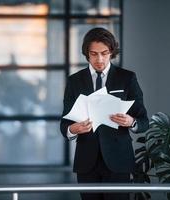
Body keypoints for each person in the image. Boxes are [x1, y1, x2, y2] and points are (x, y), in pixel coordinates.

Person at [60, 27, 149, 200]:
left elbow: (143, 120)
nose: (99, 59)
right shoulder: (74, 81)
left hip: (119, 160)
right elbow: (64, 124)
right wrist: (73, 129)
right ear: (87, 53)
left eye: (104, 53)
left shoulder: (127, 78)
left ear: (112, 52)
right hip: (86, 161)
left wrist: (131, 121)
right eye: (94, 54)